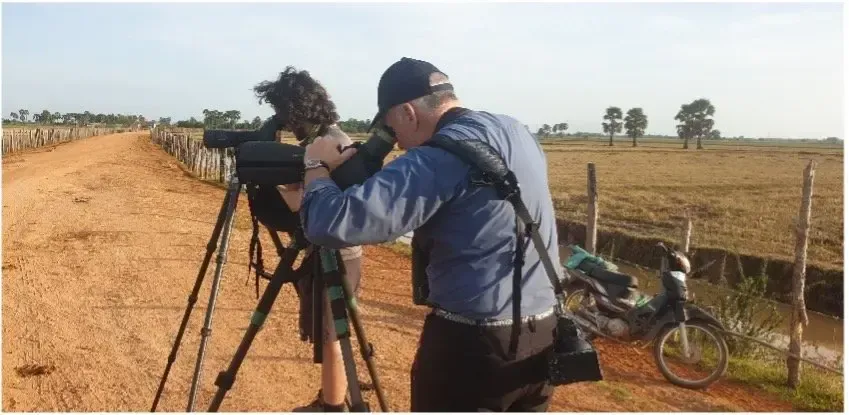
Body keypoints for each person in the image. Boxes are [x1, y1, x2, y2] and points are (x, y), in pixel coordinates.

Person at [298, 57, 562, 411]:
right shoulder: (515, 130)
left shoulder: (437, 157)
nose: (399, 143)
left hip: (474, 346)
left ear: (408, 112)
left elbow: (330, 224)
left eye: (392, 129)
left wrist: (316, 165)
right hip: (545, 332)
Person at [253, 66, 364, 412]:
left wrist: (267, 181)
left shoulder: (329, 144)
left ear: (296, 111)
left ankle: (333, 406)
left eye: (283, 113)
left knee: (333, 336)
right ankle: (330, 398)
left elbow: (303, 203)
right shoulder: (327, 138)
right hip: (331, 249)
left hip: (338, 253)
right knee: (330, 332)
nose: (282, 121)